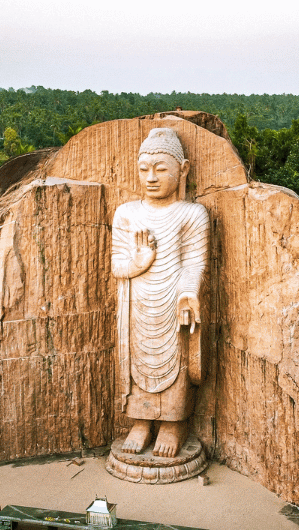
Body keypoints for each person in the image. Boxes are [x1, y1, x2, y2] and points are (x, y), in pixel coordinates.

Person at [111, 127, 209, 458]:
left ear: (183, 169)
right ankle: (141, 422)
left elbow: (195, 264)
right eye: (144, 169)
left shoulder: (192, 214)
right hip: (137, 305)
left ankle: (172, 425)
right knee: (140, 361)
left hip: (173, 300)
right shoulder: (126, 214)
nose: (151, 177)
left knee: (176, 359)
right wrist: (139, 262)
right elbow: (116, 267)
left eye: (161, 168)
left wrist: (188, 294)